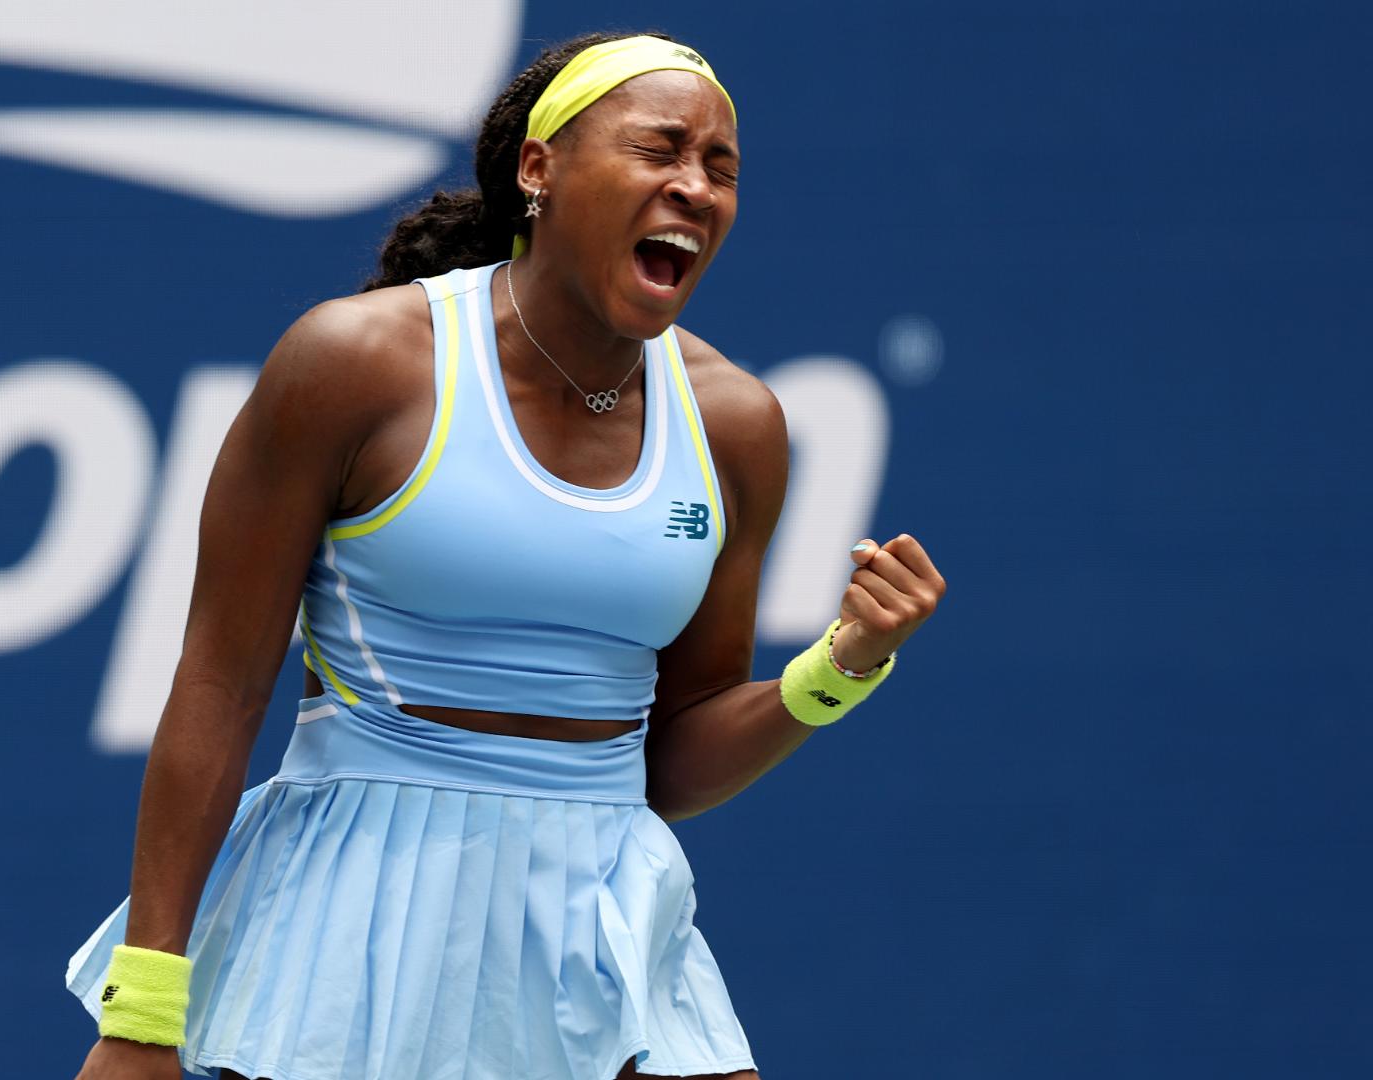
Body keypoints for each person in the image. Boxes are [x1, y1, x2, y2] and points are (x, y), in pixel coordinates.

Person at [67, 31, 946, 1080]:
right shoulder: (353, 366)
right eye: (660, 149)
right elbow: (219, 686)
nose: (694, 186)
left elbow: (672, 757)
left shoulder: (737, 425)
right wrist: (144, 1008)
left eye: (721, 168)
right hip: (357, 913)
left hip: (602, 920)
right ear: (540, 168)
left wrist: (836, 671)